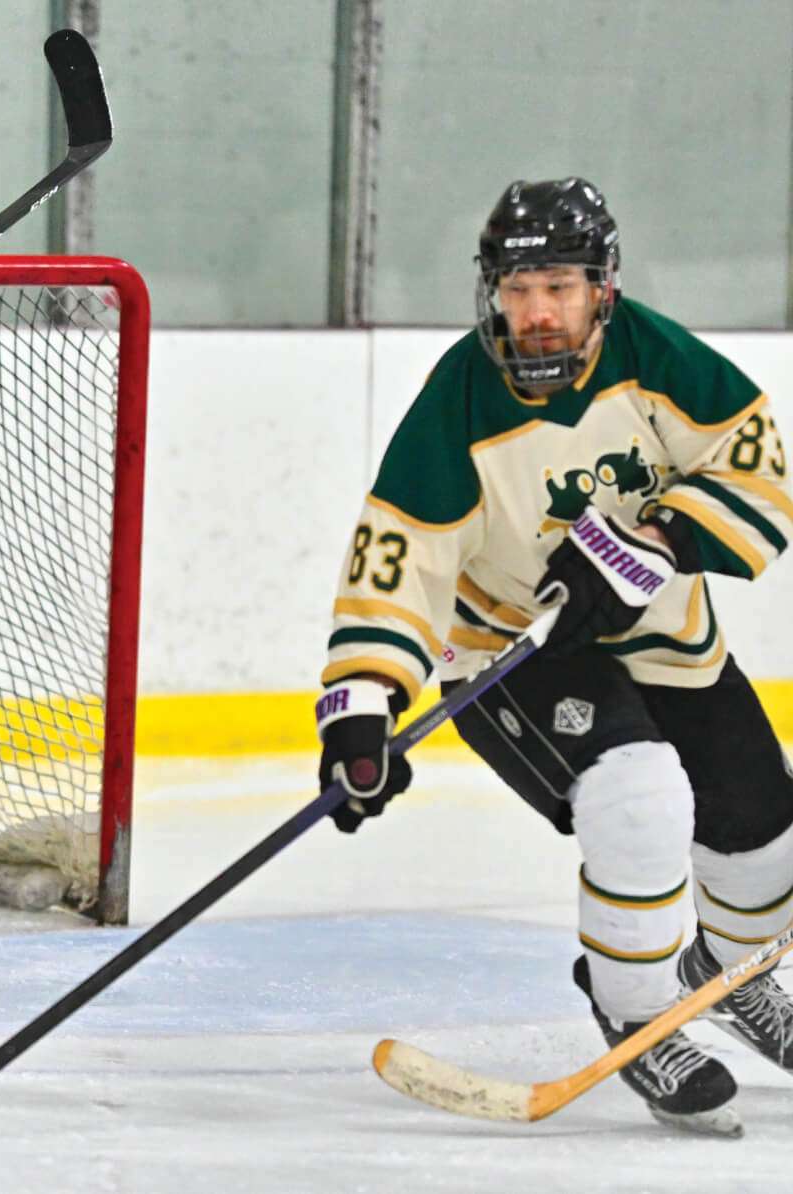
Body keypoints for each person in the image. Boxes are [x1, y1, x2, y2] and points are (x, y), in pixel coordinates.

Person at [317, 178, 793, 1136]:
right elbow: (399, 559)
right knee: (640, 796)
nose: (536, 312)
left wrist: (653, 547)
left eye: (559, 287)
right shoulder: (458, 400)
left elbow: (760, 466)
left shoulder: (653, 356)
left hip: (661, 628)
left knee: (766, 842)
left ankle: (721, 976)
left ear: (601, 289)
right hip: (508, 644)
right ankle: (638, 1011)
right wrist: (361, 710)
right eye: (517, 287)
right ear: (491, 290)